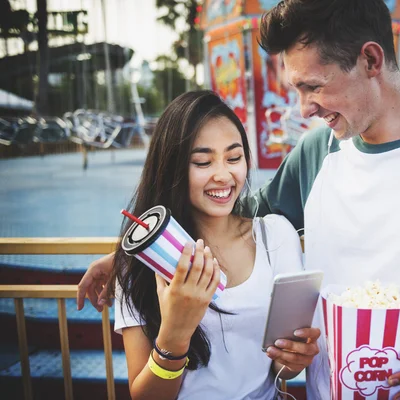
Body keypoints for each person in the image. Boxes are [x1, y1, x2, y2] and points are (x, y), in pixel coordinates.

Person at [78, 1, 400, 399]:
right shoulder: (316, 153)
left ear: (371, 60)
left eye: (313, 86)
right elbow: (227, 219)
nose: (304, 108)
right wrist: (130, 253)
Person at [102, 90, 320, 400]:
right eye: (203, 162)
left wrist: (294, 359)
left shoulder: (277, 237)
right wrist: (175, 332)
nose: (224, 175)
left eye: (234, 157)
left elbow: (282, 368)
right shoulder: (141, 262)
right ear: (171, 168)